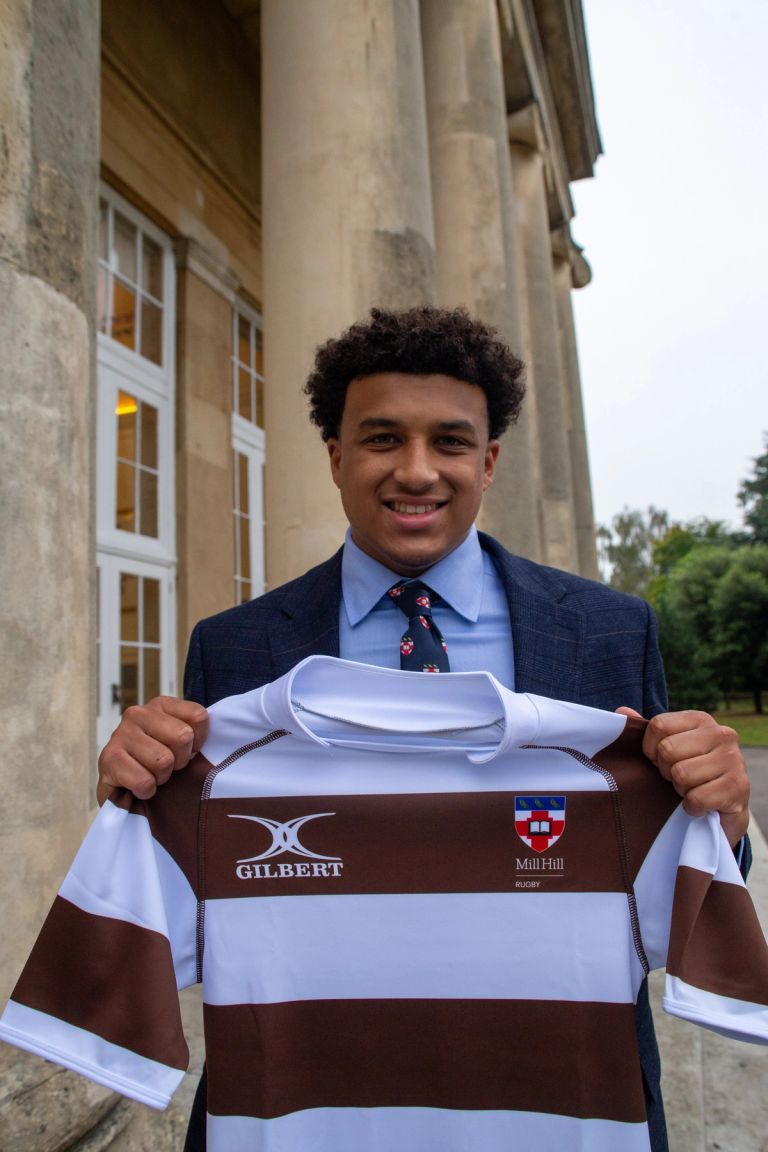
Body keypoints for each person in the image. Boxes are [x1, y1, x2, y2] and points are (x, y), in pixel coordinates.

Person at [98, 305, 750, 1152]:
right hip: (309, 1098)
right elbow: (197, 875)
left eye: (449, 442)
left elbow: (665, 866)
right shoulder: (235, 648)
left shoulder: (607, 631)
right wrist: (132, 798)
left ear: (488, 461)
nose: (416, 471)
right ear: (336, 457)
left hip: (558, 1096)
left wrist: (723, 820)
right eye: (382, 439)